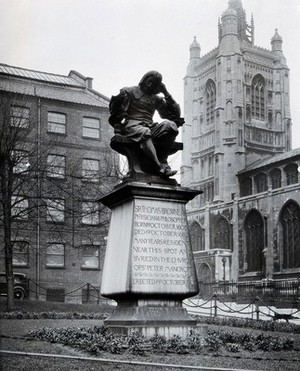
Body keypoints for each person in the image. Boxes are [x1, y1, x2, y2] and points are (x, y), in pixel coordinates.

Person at [109, 71, 184, 178]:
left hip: (149, 125)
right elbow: (116, 112)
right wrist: (117, 126)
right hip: (132, 126)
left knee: (171, 126)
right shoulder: (129, 91)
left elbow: (174, 115)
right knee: (145, 132)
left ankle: (164, 162)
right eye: (149, 82)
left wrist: (166, 92)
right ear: (144, 79)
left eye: (154, 84)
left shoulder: (156, 98)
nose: (150, 85)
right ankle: (158, 167)